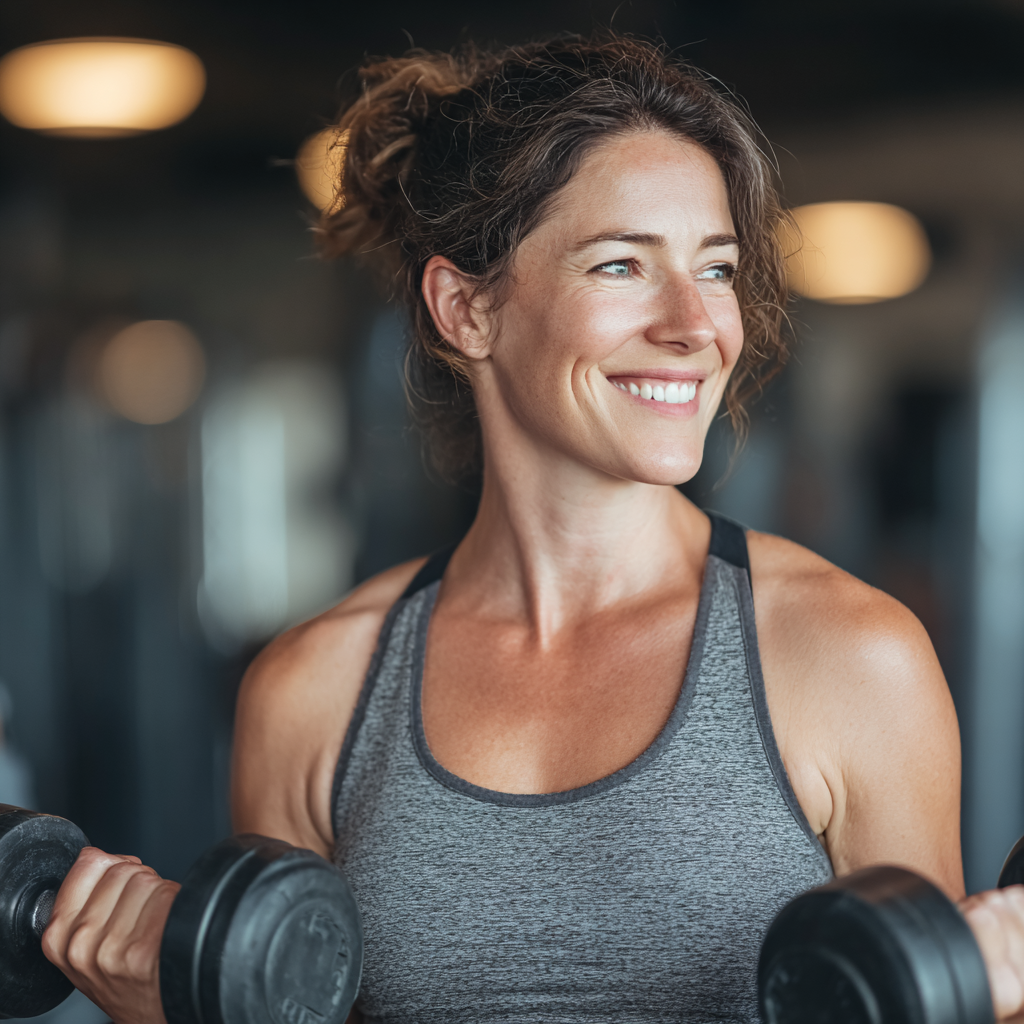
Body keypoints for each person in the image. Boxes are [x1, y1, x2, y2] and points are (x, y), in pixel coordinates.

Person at [40, 35, 1024, 1024]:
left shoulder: (850, 658)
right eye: (622, 264)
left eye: (715, 269)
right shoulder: (315, 694)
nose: (694, 324)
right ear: (466, 309)